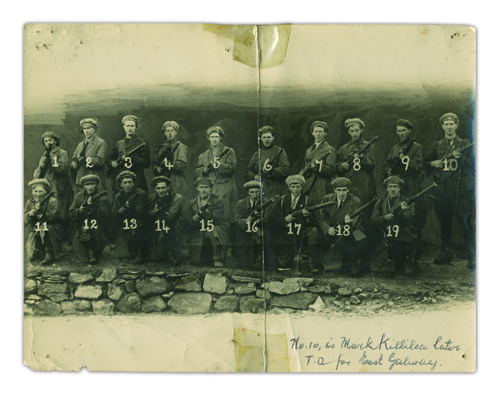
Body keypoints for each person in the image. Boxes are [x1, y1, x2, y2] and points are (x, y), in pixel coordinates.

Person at [425, 113, 475, 267]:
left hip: (461, 191)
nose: (449, 127)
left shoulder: (464, 143)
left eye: (451, 124)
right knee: (445, 223)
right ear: (442, 126)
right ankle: (445, 252)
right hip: (443, 190)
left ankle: (472, 255)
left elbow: (473, 165)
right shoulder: (437, 145)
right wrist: (433, 164)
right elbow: (425, 163)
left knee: (465, 222)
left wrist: (462, 159)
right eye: (446, 124)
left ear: (456, 125)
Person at [316, 177, 369, 275]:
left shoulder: (355, 200)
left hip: (349, 229)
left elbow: (356, 220)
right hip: (332, 229)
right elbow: (320, 218)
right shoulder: (327, 199)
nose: (342, 193)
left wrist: (348, 224)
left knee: (359, 239)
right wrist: (327, 229)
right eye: (339, 190)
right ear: (334, 190)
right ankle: (321, 264)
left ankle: (351, 264)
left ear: (348, 189)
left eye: (344, 190)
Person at [383, 119, 426, 239]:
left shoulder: (417, 147)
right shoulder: (395, 148)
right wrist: (389, 172)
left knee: (414, 214)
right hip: (397, 185)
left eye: (403, 130)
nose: (401, 133)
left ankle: (415, 248)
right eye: (398, 131)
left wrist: (405, 159)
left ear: (409, 131)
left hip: (412, 184)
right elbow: (387, 164)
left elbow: (418, 167)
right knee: (396, 213)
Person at [268, 175, 319, 275]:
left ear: (302, 187)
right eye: (293, 187)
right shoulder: (281, 200)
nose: (296, 189)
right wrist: (284, 219)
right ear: (289, 188)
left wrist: (306, 217)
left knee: (314, 231)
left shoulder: (308, 200)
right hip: (285, 231)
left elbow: (313, 220)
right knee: (283, 265)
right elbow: (271, 219)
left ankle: (310, 263)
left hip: (302, 230)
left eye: (298, 187)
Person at [370, 176, 418, 276]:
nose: (393, 189)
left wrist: (405, 211)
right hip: (385, 234)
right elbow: (373, 220)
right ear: (387, 188)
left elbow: (411, 221)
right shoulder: (380, 203)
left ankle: (407, 264)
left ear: (400, 188)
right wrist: (384, 217)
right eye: (390, 186)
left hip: (402, 233)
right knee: (377, 264)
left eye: (395, 186)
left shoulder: (407, 201)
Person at [194, 126, 238, 231]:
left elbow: (232, 168)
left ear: (221, 138)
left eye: (217, 136)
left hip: (226, 186)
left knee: (226, 215)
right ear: (208, 138)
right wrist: (204, 170)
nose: (214, 139)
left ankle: (227, 239)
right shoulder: (203, 155)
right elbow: (197, 171)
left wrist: (219, 166)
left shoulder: (229, 151)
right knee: (211, 212)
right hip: (210, 187)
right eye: (212, 136)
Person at [186, 177, 230, 267]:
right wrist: (194, 219)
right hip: (200, 230)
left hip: (215, 227)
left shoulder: (218, 200)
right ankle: (205, 257)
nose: (203, 190)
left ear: (210, 188)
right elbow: (187, 221)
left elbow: (220, 218)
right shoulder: (192, 203)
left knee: (214, 231)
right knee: (196, 261)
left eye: (206, 187)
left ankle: (218, 258)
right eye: (201, 187)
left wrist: (209, 214)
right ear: (197, 188)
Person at [67, 175, 111, 264]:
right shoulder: (79, 196)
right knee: (80, 257)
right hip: (82, 226)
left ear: (97, 185)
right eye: (87, 184)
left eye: (93, 184)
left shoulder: (102, 199)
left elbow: (102, 216)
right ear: (84, 186)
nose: (90, 187)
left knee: (95, 246)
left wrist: (91, 206)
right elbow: (70, 214)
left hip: (97, 227)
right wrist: (80, 210)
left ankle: (94, 253)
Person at [234, 181, 276, 271]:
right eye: (252, 192)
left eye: (257, 192)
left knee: (260, 235)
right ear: (248, 193)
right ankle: (247, 262)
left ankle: (259, 260)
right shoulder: (241, 203)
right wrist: (246, 221)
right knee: (244, 261)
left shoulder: (266, 202)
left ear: (260, 192)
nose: (254, 194)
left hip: (261, 228)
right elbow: (237, 220)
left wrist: (256, 221)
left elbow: (267, 220)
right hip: (245, 230)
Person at [33, 131, 74, 222]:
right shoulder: (44, 155)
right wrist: (42, 166)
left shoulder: (62, 153)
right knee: (49, 210)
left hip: (59, 186)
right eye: (46, 141)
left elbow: (63, 169)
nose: (48, 143)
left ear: (55, 141)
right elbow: (37, 175)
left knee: (61, 211)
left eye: (50, 140)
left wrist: (51, 163)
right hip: (47, 185)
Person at [111, 171, 149, 263]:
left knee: (137, 224)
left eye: (129, 182)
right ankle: (131, 250)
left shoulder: (141, 194)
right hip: (124, 224)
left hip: (140, 224)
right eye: (125, 183)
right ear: (120, 184)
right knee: (123, 255)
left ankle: (140, 252)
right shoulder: (118, 196)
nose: (127, 185)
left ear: (133, 183)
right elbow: (113, 213)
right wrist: (119, 212)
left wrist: (129, 208)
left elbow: (141, 213)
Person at [337, 118, 376, 205]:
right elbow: (336, 165)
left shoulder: (368, 146)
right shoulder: (343, 148)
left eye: (357, 130)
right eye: (352, 131)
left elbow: (372, 165)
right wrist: (341, 166)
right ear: (348, 132)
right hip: (348, 183)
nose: (354, 134)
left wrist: (362, 158)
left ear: (361, 130)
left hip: (364, 183)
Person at [24, 179, 64, 265]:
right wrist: (30, 213)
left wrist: (40, 210)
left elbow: (51, 217)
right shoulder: (30, 202)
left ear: (46, 192)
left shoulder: (52, 201)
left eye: (41, 191)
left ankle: (49, 252)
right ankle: (39, 250)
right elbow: (23, 221)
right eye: (35, 191)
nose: (38, 194)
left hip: (51, 228)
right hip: (35, 229)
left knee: (45, 227)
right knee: (32, 256)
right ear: (32, 192)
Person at [108, 115, 151, 195]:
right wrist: (112, 163)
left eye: (132, 126)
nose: (130, 128)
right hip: (121, 179)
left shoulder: (142, 143)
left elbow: (146, 163)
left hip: (136, 179)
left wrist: (132, 158)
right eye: (127, 126)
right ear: (124, 127)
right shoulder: (119, 143)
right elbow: (110, 158)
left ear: (136, 127)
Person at [146, 176, 183, 265]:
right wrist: (153, 212)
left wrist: (160, 211)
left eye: (163, 188)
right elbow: (148, 214)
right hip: (158, 223)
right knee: (154, 258)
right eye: (158, 188)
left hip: (173, 224)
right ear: (155, 189)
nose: (161, 191)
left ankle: (171, 253)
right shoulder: (152, 198)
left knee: (168, 227)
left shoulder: (177, 197)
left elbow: (171, 217)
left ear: (168, 188)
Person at [299, 121, 337, 204]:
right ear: (312, 133)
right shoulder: (308, 150)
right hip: (308, 185)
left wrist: (319, 167)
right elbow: (304, 167)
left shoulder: (330, 150)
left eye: (321, 131)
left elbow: (332, 171)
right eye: (316, 131)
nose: (318, 134)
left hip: (322, 185)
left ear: (325, 133)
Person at [246, 126, 289, 199]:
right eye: (264, 137)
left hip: (277, 188)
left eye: (269, 137)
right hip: (262, 188)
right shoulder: (257, 154)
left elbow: (285, 170)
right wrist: (254, 176)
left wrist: (271, 171)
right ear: (261, 139)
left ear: (273, 137)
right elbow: (249, 170)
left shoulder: (280, 152)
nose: (266, 140)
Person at [71, 118, 109, 192]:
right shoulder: (80, 145)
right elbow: (74, 158)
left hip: (95, 178)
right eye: (84, 128)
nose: (86, 131)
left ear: (94, 129)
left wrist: (85, 160)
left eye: (89, 128)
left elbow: (100, 161)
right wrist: (74, 164)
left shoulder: (101, 143)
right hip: (81, 179)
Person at [153, 121, 188, 197]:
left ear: (176, 132)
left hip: (176, 181)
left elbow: (182, 166)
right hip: (162, 182)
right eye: (167, 131)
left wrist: (169, 164)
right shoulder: (160, 149)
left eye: (172, 130)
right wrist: (157, 168)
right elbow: (155, 164)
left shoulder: (180, 147)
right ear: (164, 133)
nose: (170, 133)